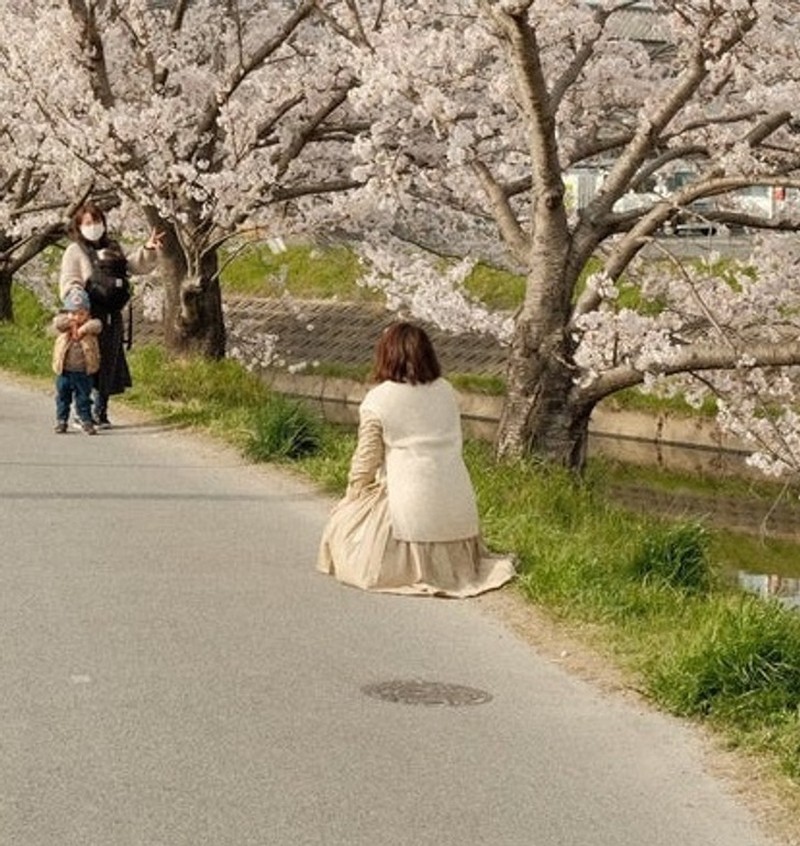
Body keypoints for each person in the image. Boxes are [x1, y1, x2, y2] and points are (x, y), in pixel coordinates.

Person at [317, 321, 515, 597]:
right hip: (457, 503)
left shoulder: (379, 399)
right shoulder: (447, 391)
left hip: (409, 504)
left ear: (386, 354)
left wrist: (352, 497)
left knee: (344, 527)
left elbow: (366, 460)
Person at [59, 202, 164, 427]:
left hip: (111, 313)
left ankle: (101, 409)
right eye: (88, 223)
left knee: (109, 360)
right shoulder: (74, 250)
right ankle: (82, 410)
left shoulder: (113, 247)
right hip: (87, 314)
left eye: (97, 222)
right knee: (86, 360)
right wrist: (77, 304)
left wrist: (148, 248)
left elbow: (132, 266)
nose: (93, 226)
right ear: (79, 226)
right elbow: (69, 281)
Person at [52, 287, 102, 435]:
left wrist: (82, 330)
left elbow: (97, 325)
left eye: (81, 313)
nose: (77, 317)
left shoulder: (90, 329)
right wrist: (70, 321)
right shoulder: (65, 327)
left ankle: (86, 420)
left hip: (83, 372)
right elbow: (57, 322)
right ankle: (62, 421)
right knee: (62, 398)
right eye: (73, 313)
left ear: (88, 314)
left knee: (84, 399)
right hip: (64, 371)